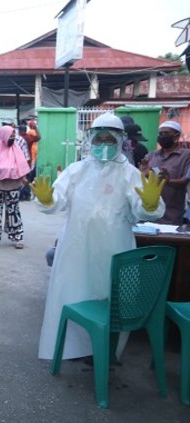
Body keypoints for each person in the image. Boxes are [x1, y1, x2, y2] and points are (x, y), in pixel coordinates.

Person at [34, 112, 166, 360]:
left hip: (114, 249)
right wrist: (46, 199)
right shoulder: (77, 170)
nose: (103, 145)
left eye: (109, 139)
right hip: (77, 248)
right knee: (72, 294)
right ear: (90, 141)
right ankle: (71, 348)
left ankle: (105, 351)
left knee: (109, 299)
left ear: (120, 141)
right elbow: (57, 201)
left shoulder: (129, 173)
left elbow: (143, 208)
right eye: (99, 139)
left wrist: (149, 206)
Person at [0, 125, 30, 249]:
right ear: (3, 136)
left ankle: (18, 237)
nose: (12, 138)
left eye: (13, 136)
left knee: (14, 210)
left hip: (13, 184)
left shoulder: (16, 149)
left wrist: (23, 178)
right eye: (10, 136)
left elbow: (21, 164)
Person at [139, 121, 190, 225]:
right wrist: (144, 174)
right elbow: (140, 178)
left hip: (171, 215)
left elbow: (185, 180)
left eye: (166, 133)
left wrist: (168, 181)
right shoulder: (151, 155)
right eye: (160, 134)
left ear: (177, 136)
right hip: (148, 213)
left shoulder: (186, 156)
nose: (162, 136)